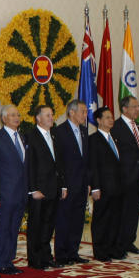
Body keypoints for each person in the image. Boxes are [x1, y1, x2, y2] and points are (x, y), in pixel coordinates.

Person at [24, 105, 67, 270]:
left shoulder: (54, 135)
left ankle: (46, 256)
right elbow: (29, 165)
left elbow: (59, 163)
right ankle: (35, 259)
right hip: (39, 189)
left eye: (52, 115)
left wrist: (63, 185)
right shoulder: (31, 136)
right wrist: (33, 188)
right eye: (47, 115)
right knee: (36, 225)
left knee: (49, 225)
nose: (51, 118)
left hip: (54, 187)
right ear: (38, 118)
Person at [0, 104, 29, 275]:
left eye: (18, 115)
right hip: (5, 194)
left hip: (21, 193)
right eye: (12, 115)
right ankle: (0, 263)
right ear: (4, 118)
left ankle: (9, 260)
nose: (17, 118)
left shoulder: (22, 137)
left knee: (14, 228)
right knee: (3, 228)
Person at [52, 100, 90, 265]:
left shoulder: (84, 131)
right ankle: (61, 254)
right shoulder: (60, 132)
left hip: (81, 184)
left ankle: (73, 252)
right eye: (82, 111)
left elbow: (86, 159)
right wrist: (63, 184)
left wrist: (88, 182)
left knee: (78, 219)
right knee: (64, 219)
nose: (85, 115)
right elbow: (59, 161)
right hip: (67, 185)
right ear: (72, 113)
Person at [111, 95, 139, 256]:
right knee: (122, 211)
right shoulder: (116, 127)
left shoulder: (137, 126)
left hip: (136, 176)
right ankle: (118, 243)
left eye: (138, 106)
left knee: (133, 211)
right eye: (134, 107)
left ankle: (129, 241)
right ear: (124, 109)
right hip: (123, 177)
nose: (137, 109)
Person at [88, 107, 125, 261]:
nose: (111, 120)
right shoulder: (93, 139)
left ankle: (112, 249)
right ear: (98, 120)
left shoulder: (114, 138)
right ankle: (100, 251)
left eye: (112, 117)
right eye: (108, 117)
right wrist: (95, 187)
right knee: (101, 219)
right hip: (103, 188)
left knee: (115, 218)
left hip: (117, 187)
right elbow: (93, 166)